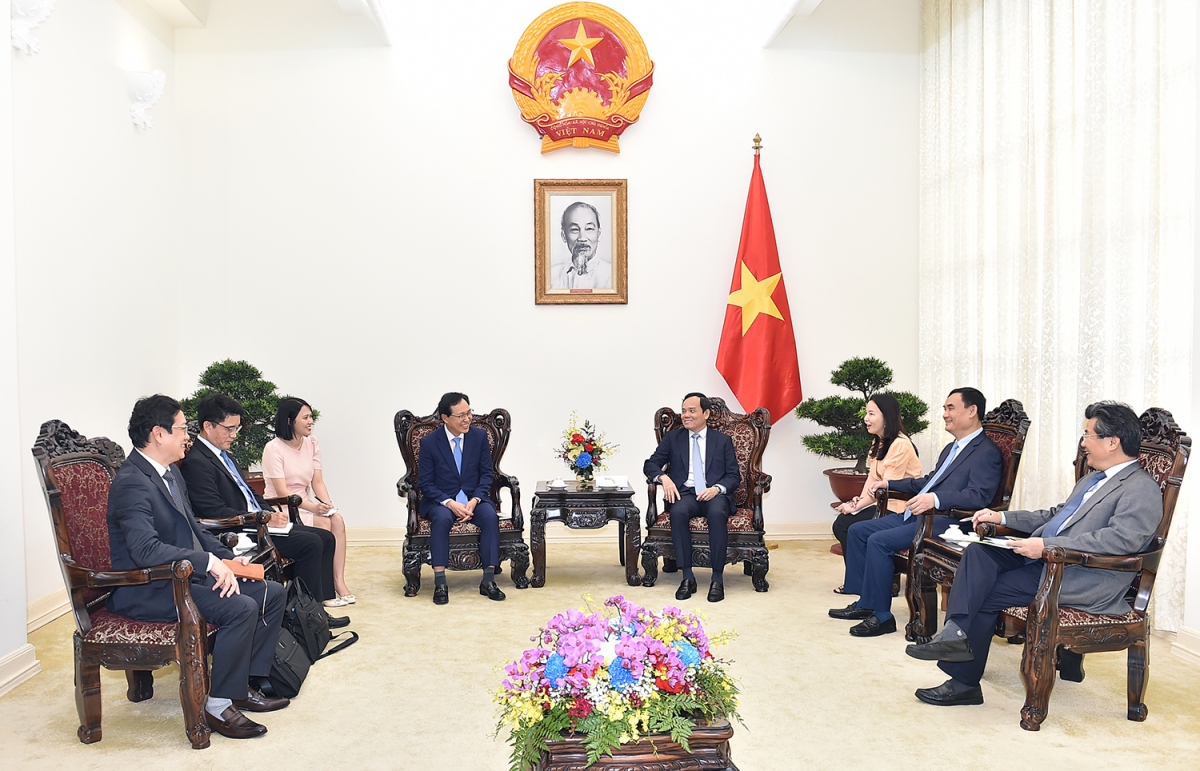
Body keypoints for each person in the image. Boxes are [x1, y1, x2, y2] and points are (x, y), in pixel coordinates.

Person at [905, 401, 1162, 706]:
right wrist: (1002, 518)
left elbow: (1122, 541)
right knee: (979, 553)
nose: (1083, 444)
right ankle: (955, 633)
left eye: (1087, 435)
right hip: (1046, 560)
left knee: (984, 592)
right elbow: (1056, 515)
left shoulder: (1140, 488)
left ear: (1112, 442)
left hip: (1079, 575)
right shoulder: (1092, 479)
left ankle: (963, 682)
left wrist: (1049, 547)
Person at [107, 395, 287, 740]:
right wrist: (208, 563)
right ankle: (217, 706)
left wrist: (228, 560)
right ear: (158, 434)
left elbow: (195, 529)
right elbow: (145, 550)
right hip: (149, 587)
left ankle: (240, 685)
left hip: (184, 576)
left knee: (271, 592)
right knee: (240, 607)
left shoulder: (169, 473)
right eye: (181, 428)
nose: (187, 435)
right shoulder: (132, 482)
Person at [829, 387, 1003, 637]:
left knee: (878, 540)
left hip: (949, 522)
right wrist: (890, 484)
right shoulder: (951, 449)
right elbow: (929, 481)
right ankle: (866, 602)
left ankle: (882, 616)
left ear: (972, 411)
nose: (944, 414)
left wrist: (936, 499)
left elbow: (979, 496)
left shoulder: (986, 452)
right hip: (921, 516)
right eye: (944, 408)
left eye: (950, 408)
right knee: (858, 530)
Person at [180, 394, 348, 628]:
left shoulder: (223, 455)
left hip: (258, 521)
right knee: (311, 543)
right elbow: (214, 510)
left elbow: (250, 494)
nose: (234, 435)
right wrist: (262, 519)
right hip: (242, 530)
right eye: (229, 429)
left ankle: (314, 611)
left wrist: (270, 511)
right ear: (208, 426)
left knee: (325, 537)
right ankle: (305, 620)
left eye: (236, 428)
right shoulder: (197, 462)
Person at [643, 392, 742, 603]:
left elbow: (734, 476)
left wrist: (717, 489)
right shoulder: (673, 438)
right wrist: (663, 478)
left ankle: (717, 578)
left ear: (705, 413)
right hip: (686, 493)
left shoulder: (722, 440)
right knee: (677, 512)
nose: (685, 415)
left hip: (713, 493)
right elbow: (650, 464)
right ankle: (687, 576)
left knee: (717, 514)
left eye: (692, 410)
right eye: (684, 411)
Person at [261, 398, 355, 607]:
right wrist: (314, 508)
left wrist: (327, 504)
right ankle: (322, 592)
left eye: (311, 417)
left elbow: (317, 481)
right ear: (290, 420)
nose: (311, 421)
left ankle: (338, 582)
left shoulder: (311, 443)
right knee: (324, 525)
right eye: (305, 417)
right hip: (283, 507)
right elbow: (282, 491)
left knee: (336, 519)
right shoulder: (273, 448)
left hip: (306, 502)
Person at [417, 392, 505, 605]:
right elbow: (426, 483)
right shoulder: (429, 442)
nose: (467, 419)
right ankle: (440, 582)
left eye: (469, 413)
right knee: (442, 519)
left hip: (474, 498)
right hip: (442, 501)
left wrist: (475, 499)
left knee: (489, 516)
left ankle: (488, 580)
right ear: (445, 418)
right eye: (461, 415)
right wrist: (450, 503)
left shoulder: (479, 436)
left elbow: (486, 474)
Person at [831, 393, 922, 591]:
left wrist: (856, 506)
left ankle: (867, 582)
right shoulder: (879, 442)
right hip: (883, 503)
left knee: (847, 524)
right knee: (843, 523)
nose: (866, 418)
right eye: (866, 413)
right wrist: (856, 505)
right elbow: (873, 480)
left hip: (899, 508)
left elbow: (887, 487)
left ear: (886, 417)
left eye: (871, 413)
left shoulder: (900, 445)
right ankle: (862, 580)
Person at [551, 201, 612, 290]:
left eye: (589, 229)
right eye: (575, 229)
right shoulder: (551, 276)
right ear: (564, 236)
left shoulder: (612, 276)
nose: (582, 238)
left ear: (598, 233)